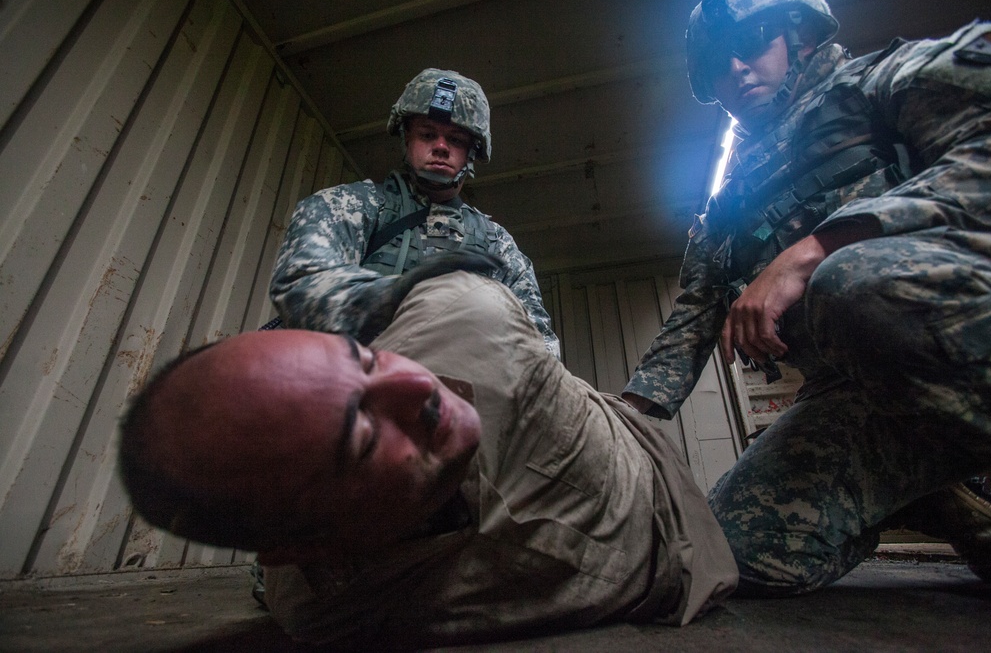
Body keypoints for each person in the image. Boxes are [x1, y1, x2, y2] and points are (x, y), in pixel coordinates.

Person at [118, 263, 737, 649]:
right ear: (306, 548)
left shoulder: (478, 322)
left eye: (366, 357)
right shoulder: (328, 611)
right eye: (361, 436)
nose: (420, 387)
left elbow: (449, 286)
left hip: (675, 505)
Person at [622, 0, 991, 595]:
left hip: (969, 334)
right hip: (857, 399)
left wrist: (816, 248)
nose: (736, 69)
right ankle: (932, 492)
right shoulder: (727, 206)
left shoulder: (880, 82)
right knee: (735, 546)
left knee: (848, 285)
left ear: (798, 35)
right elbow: (689, 323)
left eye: (750, 44)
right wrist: (618, 416)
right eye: (717, 63)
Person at [269, 68, 559, 356]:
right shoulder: (348, 205)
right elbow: (301, 284)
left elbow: (540, 346)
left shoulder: (497, 244)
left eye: (456, 139)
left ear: (472, 152)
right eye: (428, 134)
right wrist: (397, 297)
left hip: (453, 393)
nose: (441, 147)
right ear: (407, 139)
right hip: (349, 382)